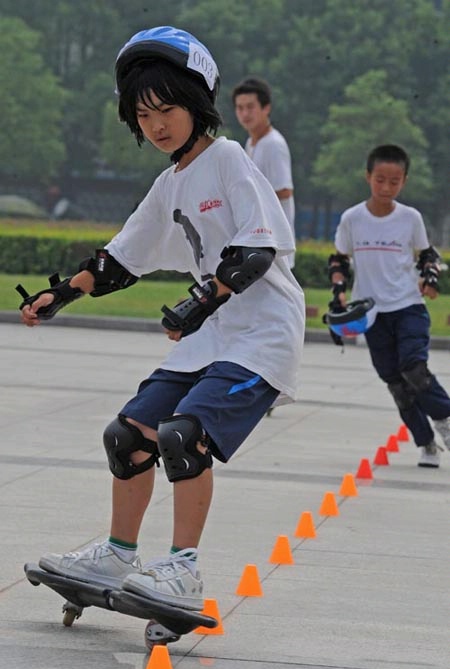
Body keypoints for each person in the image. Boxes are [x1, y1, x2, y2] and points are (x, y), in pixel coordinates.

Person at [19, 27, 305, 612]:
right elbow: (118, 260)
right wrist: (60, 296)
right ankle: (118, 553)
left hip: (263, 337)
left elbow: (257, 250)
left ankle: (182, 569)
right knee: (127, 436)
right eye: (142, 115)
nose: (156, 126)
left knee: (184, 435)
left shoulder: (229, 159)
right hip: (213, 337)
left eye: (167, 108)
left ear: (199, 104)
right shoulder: (169, 182)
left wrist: (199, 302)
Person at [328, 144, 450, 468]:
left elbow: (427, 255)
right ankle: (425, 443)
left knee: (413, 368)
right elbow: (339, 259)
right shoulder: (352, 218)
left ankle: (445, 419)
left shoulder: (410, 218)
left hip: (408, 306)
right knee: (396, 383)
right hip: (372, 314)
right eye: (380, 179)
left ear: (403, 182)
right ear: (368, 176)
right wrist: (339, 289)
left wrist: (430, 279)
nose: (385, 188)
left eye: (394, 182)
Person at [232, 76, 296, 268]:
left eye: (250, 107)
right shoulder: (251, 143)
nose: (245, 114)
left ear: (266, 108)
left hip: (273, 243)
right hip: (259, 240)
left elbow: (284, 190)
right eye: (240, 108)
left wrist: (245, 198)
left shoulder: (273, 144)